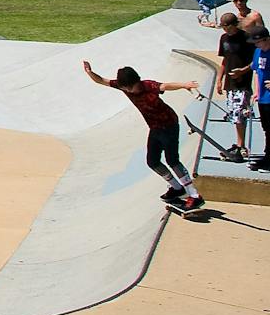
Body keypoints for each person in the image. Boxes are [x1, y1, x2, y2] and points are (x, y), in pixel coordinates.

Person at [82, 61, 203, 210]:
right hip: (155, 128)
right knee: (152, 162)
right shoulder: (123, 86)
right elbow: (101, 80)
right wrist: (89, 72)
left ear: (136, 81)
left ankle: (195, 195)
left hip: (169, 125)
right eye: (125, 88)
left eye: (130, 87)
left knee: (172, 160)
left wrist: (184, 85)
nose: (129, 90)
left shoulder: (148, 86)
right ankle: (177, 188)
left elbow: (165, 86)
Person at [216, 12, 256, 162]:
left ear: (233, 25)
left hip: (243, 83)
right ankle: (239, 145)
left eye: (225, 27)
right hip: (230, 84)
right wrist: (219, 80)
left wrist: (242, 71)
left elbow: (255, 62)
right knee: (234, 114)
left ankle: (241, 146)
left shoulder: (246, 38)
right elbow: (224, 61)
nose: (224, 30)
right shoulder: (224, 39)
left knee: (240, 114)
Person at [251, 30, 270, 171]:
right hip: (263, 98)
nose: (257, 45)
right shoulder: (258, 52)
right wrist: (257, 91)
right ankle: (267, 156)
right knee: (266, 128)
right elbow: (257, 72)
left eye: (258, 42)